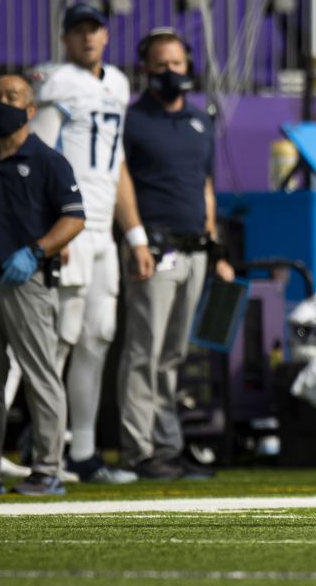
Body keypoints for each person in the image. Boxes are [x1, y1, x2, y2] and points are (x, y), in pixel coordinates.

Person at [0, 74, 86, 496]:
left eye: (11, 96)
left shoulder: (48, 161)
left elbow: (73, 218)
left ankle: (48, 468)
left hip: (27, 282)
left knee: (40, 375)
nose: (0, 102)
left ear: (31, 110)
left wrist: (36, 250)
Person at [116, 28, 235, 481]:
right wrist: (137, 240)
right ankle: (137, 448)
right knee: (144, 351)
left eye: (177, 64)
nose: (170, 72)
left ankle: (166, 443)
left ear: (189, 66)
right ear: (145, 68)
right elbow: (120, 182)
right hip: (156, 246)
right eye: (161, 64)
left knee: (173, 354)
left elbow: (205, 188)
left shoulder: (201, 120)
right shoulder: (133, 120)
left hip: (193, 251)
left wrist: (214, 245)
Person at [29, 2, 137, 484]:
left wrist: (135, 235)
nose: (88, 38)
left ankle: (85, 452)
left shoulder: (117, 83)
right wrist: (54, 227)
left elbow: (117, 165)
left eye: (94, 30)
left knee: (97, 336)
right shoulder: (58, 82)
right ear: (66, 39)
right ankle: (42, 445)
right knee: (57, 339)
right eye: (78, 31)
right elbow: (39, 157)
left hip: (102, 231)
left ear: (106, 36)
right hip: (70, 225)